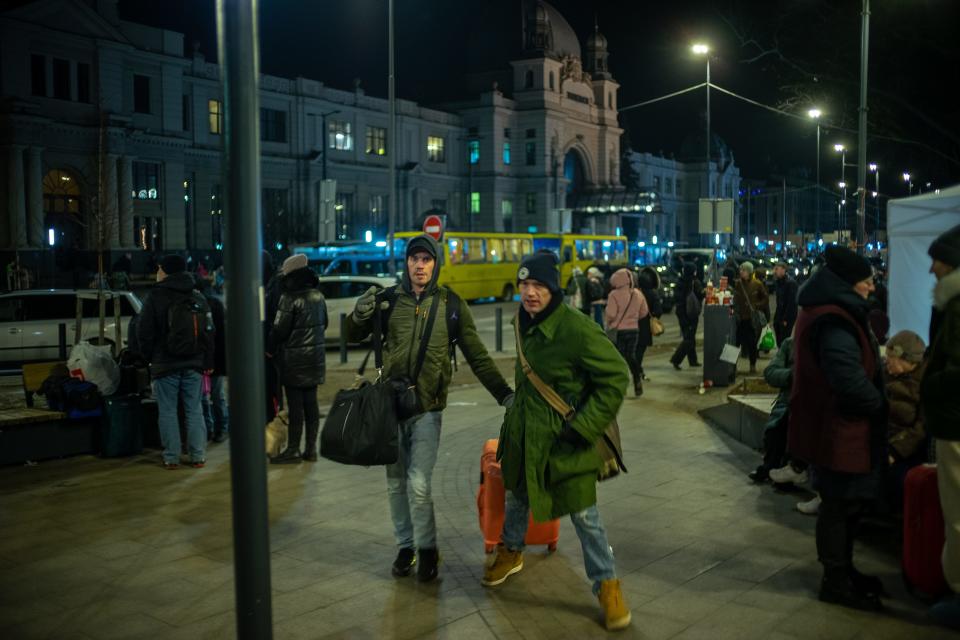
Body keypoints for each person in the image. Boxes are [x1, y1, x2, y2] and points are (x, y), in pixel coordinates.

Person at [345, 234, 513, 582]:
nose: (419, 266)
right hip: (390, 408)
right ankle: (405, 548)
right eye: (414, 259)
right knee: (395, 485)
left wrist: (504, 394)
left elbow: (477, 355)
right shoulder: (389, 300)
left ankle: (427, 548)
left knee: (418, 483)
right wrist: (360, 314)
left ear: (436, 264)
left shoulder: (451, 304)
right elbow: (353, 335)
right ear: (406, 263)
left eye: (426, 259)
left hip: (428, 408)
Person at [482, 252, 632, 631]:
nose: (530, 293)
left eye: (539, 286)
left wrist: (583, 427)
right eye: (524, 285)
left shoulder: (577, 329)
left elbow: (616, 376)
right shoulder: (522, 321)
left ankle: (607, 585)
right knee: (516, 493)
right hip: (524, 435)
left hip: (568, 441)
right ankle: (511, 551)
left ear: (554, 289)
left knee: (585, 516)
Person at [787, 245, 887, 611]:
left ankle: (844, 571)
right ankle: (836, 579)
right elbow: (846, 378)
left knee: (844, 506)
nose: (870, 288)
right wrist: (878, 405)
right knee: (839, 507)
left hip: (838, 427)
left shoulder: (830, 311)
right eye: (865, 282)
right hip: (840, 430)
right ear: (847, 283)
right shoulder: (834, 319)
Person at [136, 255, 215, 469]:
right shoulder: (198, 296)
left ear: (167, 271)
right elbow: (209, 331)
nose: (157, 272)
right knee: (194, 409)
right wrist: (206, 359)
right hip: (194, 363)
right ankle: (197, 455)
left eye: (160, 268)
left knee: (168, 410)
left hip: (165, 363)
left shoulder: (155, 296)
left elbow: (144, 332)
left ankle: (172, 457)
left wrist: (150, 357)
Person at [920, 224, 960, 629]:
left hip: (956, 421)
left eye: (938, 260)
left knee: (959, 510)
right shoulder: (950, 301)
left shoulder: (959, 302)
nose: (932, 268)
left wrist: (931, 384)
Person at [267, 254, 327, 464]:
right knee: (311, 405)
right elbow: (324, 324)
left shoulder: (289, 298)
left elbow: (279, 330)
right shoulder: (318, 296)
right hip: (315, 359)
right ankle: (310, 450)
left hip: (293, 360)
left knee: (295, 407)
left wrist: (270, 348)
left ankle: (293, 449)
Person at [748, 337, 805, 484]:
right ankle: (770, 468)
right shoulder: (790, 344)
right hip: (787, 404)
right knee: (776, 430)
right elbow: (771, 372)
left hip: (807, 407)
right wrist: (791, 375)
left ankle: (784, 471)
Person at [883, 330, 927, 509]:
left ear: (906, 359)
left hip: (907, 449)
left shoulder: (925, 384)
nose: (886, 360)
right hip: (882, 437)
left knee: (896, 479)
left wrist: (894, 451)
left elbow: (922, 427)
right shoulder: (885, 374)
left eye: (890, 356)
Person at [196, 277, 229, 443]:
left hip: (206, 358)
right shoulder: (215, 304)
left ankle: (215, 428)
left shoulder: (204, 306)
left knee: (206, 396)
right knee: (216, 395)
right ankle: (219, 428)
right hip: (215, 358)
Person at [604, 268, 647, 397]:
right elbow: (644, 312)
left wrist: (609, 318)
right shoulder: (638, 294)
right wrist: (632, 319)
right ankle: (637, 379)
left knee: (619, 358)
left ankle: (620, 386)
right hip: (634, 330)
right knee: (631, 356)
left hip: (619, 331)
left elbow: (611, 314)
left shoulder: (614, 295)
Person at [733, 261, 770, 374]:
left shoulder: (757, 284)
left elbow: (765, 298)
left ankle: (752, 365)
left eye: (743, 270)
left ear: (749, 272)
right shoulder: (738, 283)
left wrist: (757, 306)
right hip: (740, 319)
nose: (741, 272)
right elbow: (735, 298)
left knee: (752, 343)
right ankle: (732, 366)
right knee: (735, 343)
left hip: (751, 319)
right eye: (740, 270)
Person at [670, 261, 703, 370]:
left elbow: (677, 298)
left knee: (689, 337)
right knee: (689, 339)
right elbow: (700, 294)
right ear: (693, 271)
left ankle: (693, 360)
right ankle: (676, 359)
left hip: (681, 313)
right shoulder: (694, 282)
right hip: (691, 314)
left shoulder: (680, 281)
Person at [262, 250, 282, 423]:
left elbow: (275, 319)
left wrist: (270, 347)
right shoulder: (269, 283)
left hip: (272, 347)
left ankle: (273, 419)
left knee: (272, 385)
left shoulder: (274, 285)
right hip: (269, 343)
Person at [635, 267, 663, 381]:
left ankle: (638, 370)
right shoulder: (653, 293)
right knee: (640, 350)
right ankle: (638, 371)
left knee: (634, 349)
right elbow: (658, 311)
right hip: (645, 325)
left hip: (632, 324)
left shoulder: (635, 292)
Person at [772, 261, 799, 346]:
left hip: (786, 318)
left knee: (783, 342)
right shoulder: (778, 282)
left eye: (777, 269)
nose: (775, 271)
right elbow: (779, 301)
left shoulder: (790, 283)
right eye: (775, 269)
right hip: (779, 316)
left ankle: (785, 358)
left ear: (784, 270)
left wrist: (786, 319)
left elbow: (792, 303)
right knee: (779, 340)